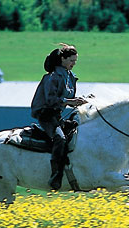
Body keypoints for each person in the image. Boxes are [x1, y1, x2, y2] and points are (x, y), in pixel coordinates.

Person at [31, 43, 87, 190]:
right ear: (62, 59)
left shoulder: (70, 76)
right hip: (47, 116)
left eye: (75, 61)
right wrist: (71, 101)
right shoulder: (52, 77)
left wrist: (81, 100)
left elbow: (69, 99)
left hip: (58, 116)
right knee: (60, 139)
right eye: (71, 60)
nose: (74, 64)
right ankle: (56, 175)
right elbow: (50, 100)